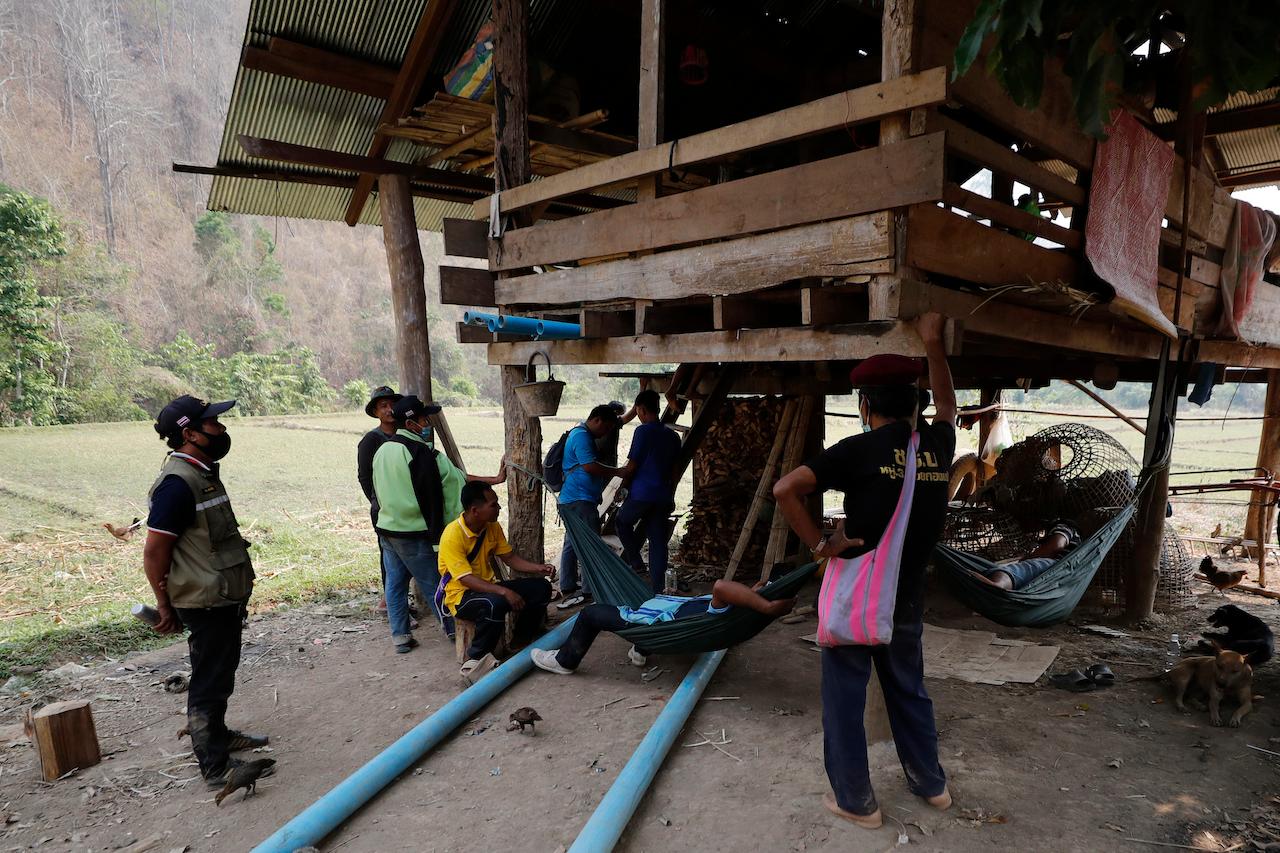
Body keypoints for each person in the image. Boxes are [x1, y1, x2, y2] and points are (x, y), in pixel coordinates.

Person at [773, 312, 957, 829]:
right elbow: (948, 404)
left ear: (864, 404)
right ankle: (932, 786)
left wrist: (818, 546)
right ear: (915, 403)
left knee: (845, 699)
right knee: (909, 690)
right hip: (907, 598)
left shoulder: (858, 450)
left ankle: (858, 802)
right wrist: (933, 343)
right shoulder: (938, 447)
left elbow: (785, 490)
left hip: (858, 595)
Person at [142, 395, 268, 788]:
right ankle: (214, 765)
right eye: (213, 424)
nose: (222, 429)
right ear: (190, 433)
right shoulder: (177, 484)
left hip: (222, 593)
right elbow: (155, 551)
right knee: (209, 681)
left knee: (220, 673)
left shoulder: (202, 473)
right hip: (204, 599)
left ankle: (219, 735)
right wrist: (164, 604)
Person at [372, 395, 506, 653]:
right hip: (414, 531)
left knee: (395, 584)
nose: (427, 423)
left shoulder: (384, 449)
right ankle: (455, 634)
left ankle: (400, 637)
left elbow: (376, 488)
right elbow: (433, 495)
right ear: (411, 424)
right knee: (436, 582)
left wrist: (493, 479)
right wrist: (437, 536)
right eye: (423, 419)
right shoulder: (420, 452)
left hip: (387, 528)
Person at [531, 580, 794, 674]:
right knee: (640, 609)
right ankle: (642, 647)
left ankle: (565, 662)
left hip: (659, 624)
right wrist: (758, 595)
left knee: (591, 613)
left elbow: (721, 586)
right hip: (664, 619)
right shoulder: (741, 610)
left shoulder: (725, 608)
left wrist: (767, 607)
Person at [439, 482, 555, 671]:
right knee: (495, 603)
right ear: (475, 510)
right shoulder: (452, 535)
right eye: (493, 505)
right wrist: (504, 591)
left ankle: (521, 641)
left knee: (541, 587)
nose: (499, 508)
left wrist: (539, 568)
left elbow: (509, 558)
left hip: (488, 588)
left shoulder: (491, 527)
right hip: (461, 597)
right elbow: (465, 579)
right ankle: (476, 659)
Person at [556, 404, 625, 609]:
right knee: (590, 544)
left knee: (572, 543)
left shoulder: (579, 433)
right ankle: (589, 589)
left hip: (572, 499)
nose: (605, 434)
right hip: (580, 499)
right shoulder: (582, 437)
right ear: (597, 421)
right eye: (606, 429)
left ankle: (568, 585)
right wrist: (618, 471)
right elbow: (590, 466)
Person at [615, 389, 681, 592]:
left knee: (621, 521)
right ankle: (659, 588)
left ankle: (636, 562)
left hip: (642, 493)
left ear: (641, 410)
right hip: (662, 494)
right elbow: (675, 470)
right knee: (657, 540)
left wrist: (621, 485)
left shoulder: (642, 431)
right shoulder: (673, 436)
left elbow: (633, 465)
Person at [356, 385, 401, 616]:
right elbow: (364, 477)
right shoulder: (371, 441)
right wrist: (379, 502)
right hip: (384, 510)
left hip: (407, 509)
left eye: (392, 404)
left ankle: (392, 603)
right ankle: (391, 606)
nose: (389, 409)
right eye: (383, 406)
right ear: (375, 412)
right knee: (390, 558)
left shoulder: (406, 434)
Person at [974, 520, 1080, 590]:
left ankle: (997, 585)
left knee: (1018, 569)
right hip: (1064, 572)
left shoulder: (1066, 526)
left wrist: (1027, 558)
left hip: (1056, 564)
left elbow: (1055, 546)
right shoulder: (1087, 544)